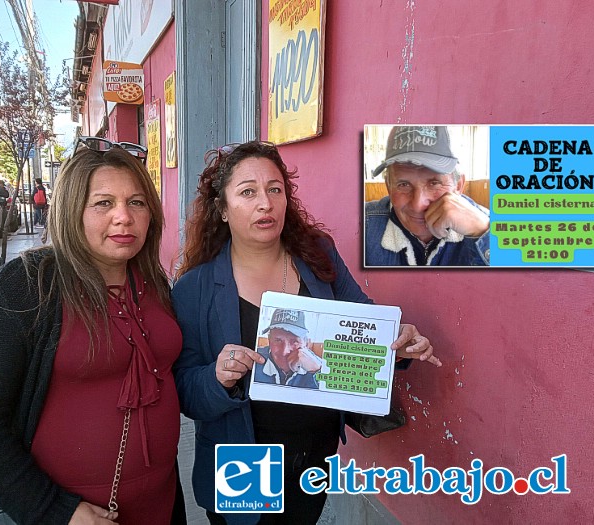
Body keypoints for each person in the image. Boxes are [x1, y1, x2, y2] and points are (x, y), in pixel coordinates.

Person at [171, 141, 442, 525]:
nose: (265, 203)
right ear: (222, 209)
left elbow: (359, 315)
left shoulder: (317, 254)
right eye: (247, 192)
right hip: (243, 457)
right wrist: (216, 378)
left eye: (274, 189)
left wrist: (395, 341)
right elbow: (183, 389)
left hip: (313, 454)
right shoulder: (194, 290)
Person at [0, 143, 186, 524]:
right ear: (73, 210)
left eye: (137, 202)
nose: (124, 217)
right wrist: (56, 511)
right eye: (103, 203)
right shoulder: (24, 287)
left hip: (159, 505)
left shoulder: (153, 283)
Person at [365, 125, 490, 266]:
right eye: (403, 184)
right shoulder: (361, 224)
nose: (418, 205)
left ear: (458, 185)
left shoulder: (494, 226)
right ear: (389, 186)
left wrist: (485, 234)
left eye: (434, 183)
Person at [253, 308, 322, 389]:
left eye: (295, 341)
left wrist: (316, 372)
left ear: (306, 343)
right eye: (278, 340)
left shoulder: (320, 367)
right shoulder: (254, 359)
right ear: (269, 339)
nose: (284, 351)